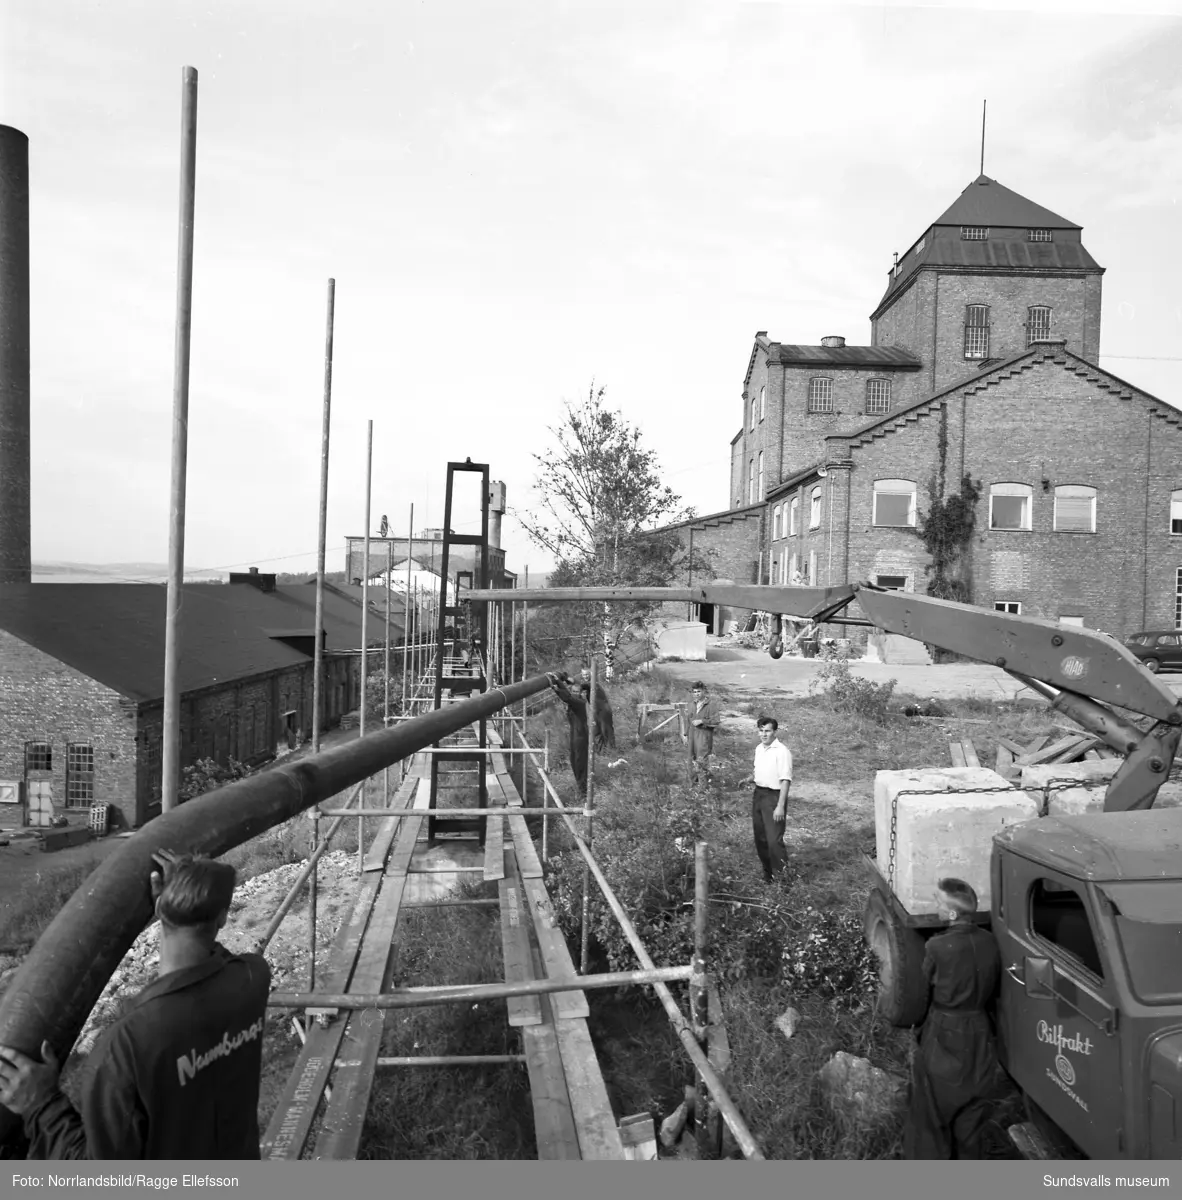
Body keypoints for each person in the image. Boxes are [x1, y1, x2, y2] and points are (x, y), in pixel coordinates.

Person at [0, 851, 271, 1159]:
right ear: (223, 917)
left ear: (159, 908)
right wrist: (188, 907)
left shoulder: (129, 1043)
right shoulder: (253, 977)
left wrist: (41, 1105)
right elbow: (217, 960)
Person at [904, 877, 1002, 1160]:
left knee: (930, 1112)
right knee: (972, 1115)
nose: (934, 904)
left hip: (945, 1031)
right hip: (981, 1031)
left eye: (937, 901)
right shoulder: (991, 941)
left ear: (951, 914)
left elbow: (921, 994)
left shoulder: (937, 947)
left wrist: (918, 1030)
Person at [739, 716, 792, 882]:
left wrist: (780, 806)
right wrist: (749, 779)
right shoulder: (759, 749)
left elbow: (785, 780)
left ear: (775, 732)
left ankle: (783, 879)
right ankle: (768, 875)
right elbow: (760, 771)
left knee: (774, 840)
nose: (764, 734)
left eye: (767, 731)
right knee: (760, 838)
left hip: (773, 797)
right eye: (761, 731)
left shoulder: (782, 752)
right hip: (759, 795)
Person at [549, 672, 590, 795]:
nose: (576, 694)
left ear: (583, 693)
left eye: (578, 692)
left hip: (581, 736)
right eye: (574, 692)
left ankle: (583, 790)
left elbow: (567, 697)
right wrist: (558, 681)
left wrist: (557, 687)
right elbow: (568, 695)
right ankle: (580, 787)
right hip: (575, 734)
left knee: (580, 762)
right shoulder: (574, 701)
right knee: (573, 761)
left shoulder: (581, 703)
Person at [688, 681, 720, 780]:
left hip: (704, 735)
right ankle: (693, 785)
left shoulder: (711, 705)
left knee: (702, 759)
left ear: (704, 692)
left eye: (699, 691)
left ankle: (703, 786)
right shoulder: (691, 705)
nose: (696, 694)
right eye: (694, 692)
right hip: (692, 735)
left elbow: (716, 721)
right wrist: (685, 735)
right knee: (691, 759)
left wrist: (702, 721)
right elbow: (687, 720)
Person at [580, 666, 616, 752]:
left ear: (591, 674)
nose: (585, 676)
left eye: (587, 674)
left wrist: (572, 683)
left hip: (603, 711)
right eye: (584, 675)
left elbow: (583, 685)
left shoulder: (593, 684)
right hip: (597, 712)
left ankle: (612, 751)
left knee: (606, 731)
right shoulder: (589, 685)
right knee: (596, 732)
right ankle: (601, 751)